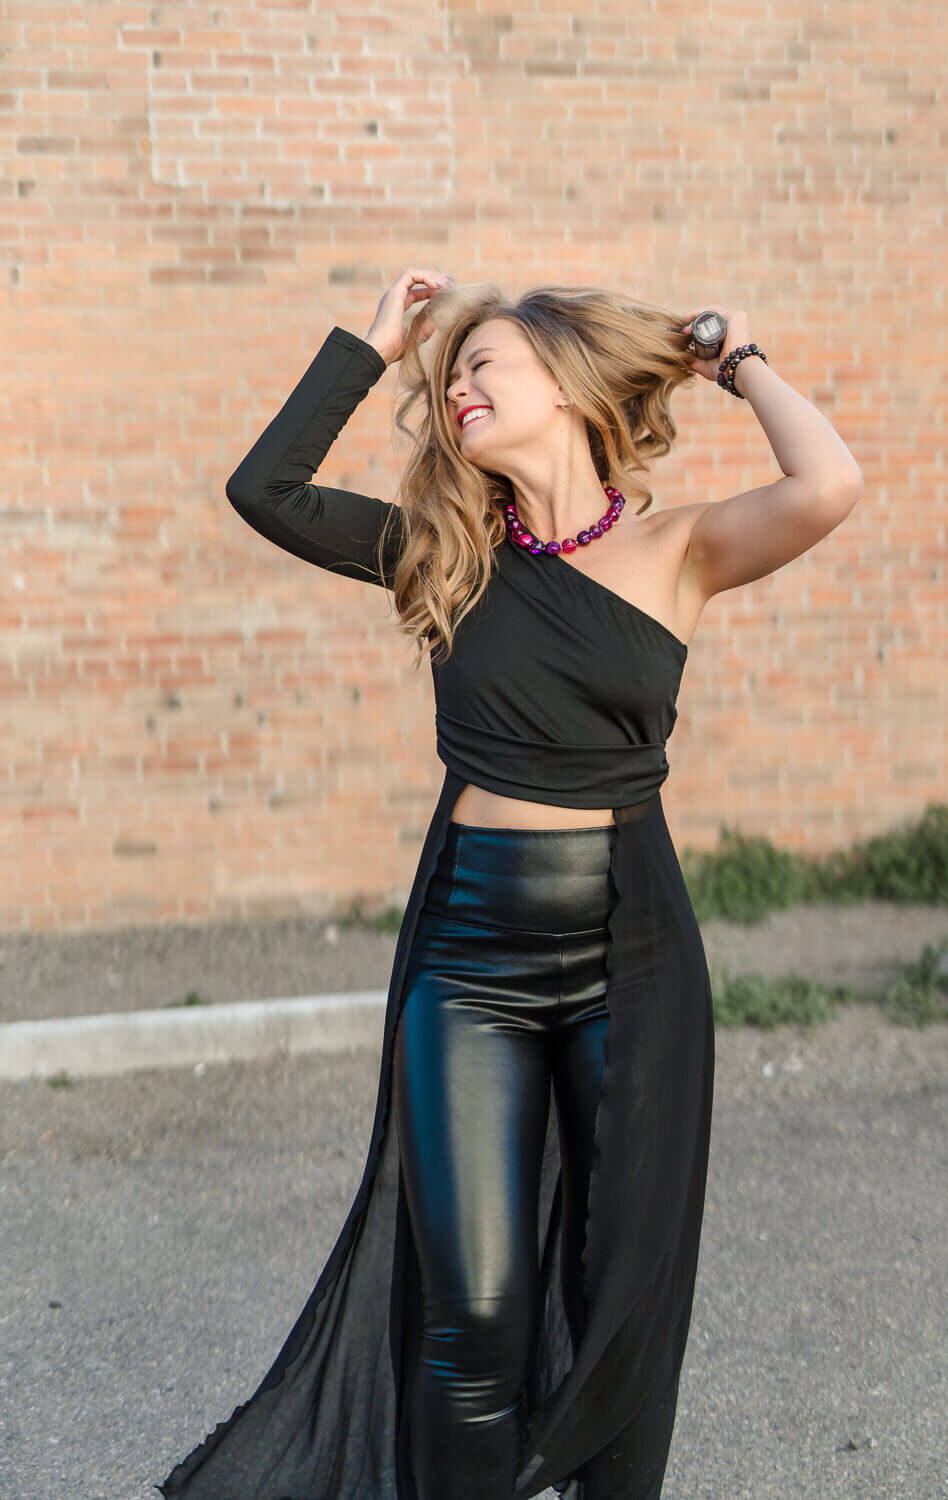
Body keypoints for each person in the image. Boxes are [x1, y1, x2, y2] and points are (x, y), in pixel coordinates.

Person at [157, 267, 863, 1500]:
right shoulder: (443, 552)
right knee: (469, 1318)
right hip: (468, 962)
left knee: (620, 1298)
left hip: (626, 964)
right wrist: (373, 348)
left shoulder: (679, 547)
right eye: (454, 376)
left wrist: (736, 360)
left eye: (486, 365)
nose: (461, 389)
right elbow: (260, 492)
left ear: (569, 384)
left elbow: (829, 485)